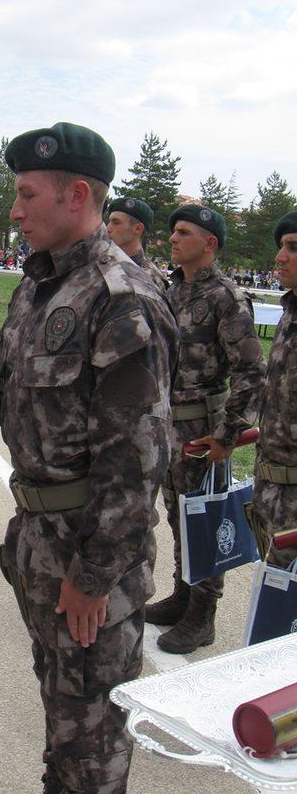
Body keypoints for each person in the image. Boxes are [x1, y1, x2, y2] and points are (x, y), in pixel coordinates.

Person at [0, 122, 179, 794]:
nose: (14, 210)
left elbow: (136, 462)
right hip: (37, 542)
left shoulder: (122, 299)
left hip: (88, 554)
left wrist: (92, 576)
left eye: (26, 195)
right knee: (62, 719)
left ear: (76, 193)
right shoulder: (41, 286)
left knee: (89, 743)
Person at [146, 204, 265, 654]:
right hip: (167, 424)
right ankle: (181, 595)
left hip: (201, 430)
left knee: (205, 519)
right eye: (172, 231)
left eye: (183, 233)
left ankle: (203, 615)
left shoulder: (226, 298)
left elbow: (252, 372)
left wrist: (228, 434)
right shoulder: (172, 290)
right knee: (178, 515)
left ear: (209, 243)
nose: (173, 239)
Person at [250, 211, 297, 568]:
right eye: (281, 246)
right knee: (273, 602)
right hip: (272, 489)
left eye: (293, 247)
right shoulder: (289, 314)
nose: (279, 257)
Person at [106, 197, 169, 293]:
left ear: (138, 228)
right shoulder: (100, 263)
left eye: (116, 222)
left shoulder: (152, 278)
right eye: (109, 221)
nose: (108, 228)